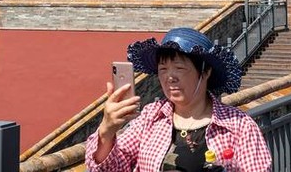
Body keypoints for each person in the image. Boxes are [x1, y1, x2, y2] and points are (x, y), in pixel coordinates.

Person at [85, 27, 271, 171]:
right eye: (163, 69)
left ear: (205, 72)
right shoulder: (151, 117)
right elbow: (111, 168)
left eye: (179, 68)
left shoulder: (239, 126)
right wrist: (106, 132)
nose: (170, 77)